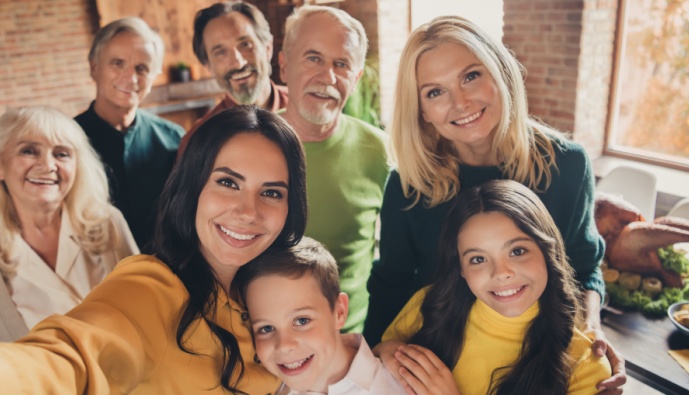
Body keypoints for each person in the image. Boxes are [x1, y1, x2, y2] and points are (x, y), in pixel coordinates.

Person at [0, 106, 307, 395]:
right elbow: (72, 353)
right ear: (193, 186)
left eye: (272, 192)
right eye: (228, 182)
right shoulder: (154, 288)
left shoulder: (284, 283)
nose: (248, 211)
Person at [362, 16, 625, 392]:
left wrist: (592, 330)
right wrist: (375, 358)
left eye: (470, 76)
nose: (461, 102)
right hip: (441, 366)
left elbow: (582, 266)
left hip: (538, 366)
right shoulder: (410, 185)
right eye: (435, 92)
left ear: (500, 72)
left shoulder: (566, 166)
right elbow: (391, 284)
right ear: (421, 110)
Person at [376, 179, 612, 395]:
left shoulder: (586, 365)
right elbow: (375, 366)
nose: (501, 273)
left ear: (548, 251)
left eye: (517, 251)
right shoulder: (429, 305)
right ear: (461, 268)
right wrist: (386, 349)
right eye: (478, 259)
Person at [0, 106, 139, 349]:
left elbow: (145, 304)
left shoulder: (109, 223)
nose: (47, 165)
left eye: (62, 154)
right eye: (28, 151)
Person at [279, 5, 389, 333]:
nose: (327, 77)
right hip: (264, 344)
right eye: (313, 58)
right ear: (283, 66)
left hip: (355, 341)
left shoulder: (381, 151)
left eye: (341, 64)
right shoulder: (248, 146)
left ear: (355, 79)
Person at [235, 236, 405, 395]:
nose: (284, 346)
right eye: (266, 328)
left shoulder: (402, 386)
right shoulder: (257, 388)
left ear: (339, 312)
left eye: (302, 320)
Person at [74, 17, 184, 251]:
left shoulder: (175, 139)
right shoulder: (66, 142)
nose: (131, 78)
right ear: (94, 67)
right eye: (117, 63)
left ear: (153, 77)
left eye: (141, 68)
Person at [177, 1, 289, 158]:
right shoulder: (197, 142)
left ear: (268, 48)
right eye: (220, 52)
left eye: (245, 44)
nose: (238, 62)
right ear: (208, 66)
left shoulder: (307, 106)